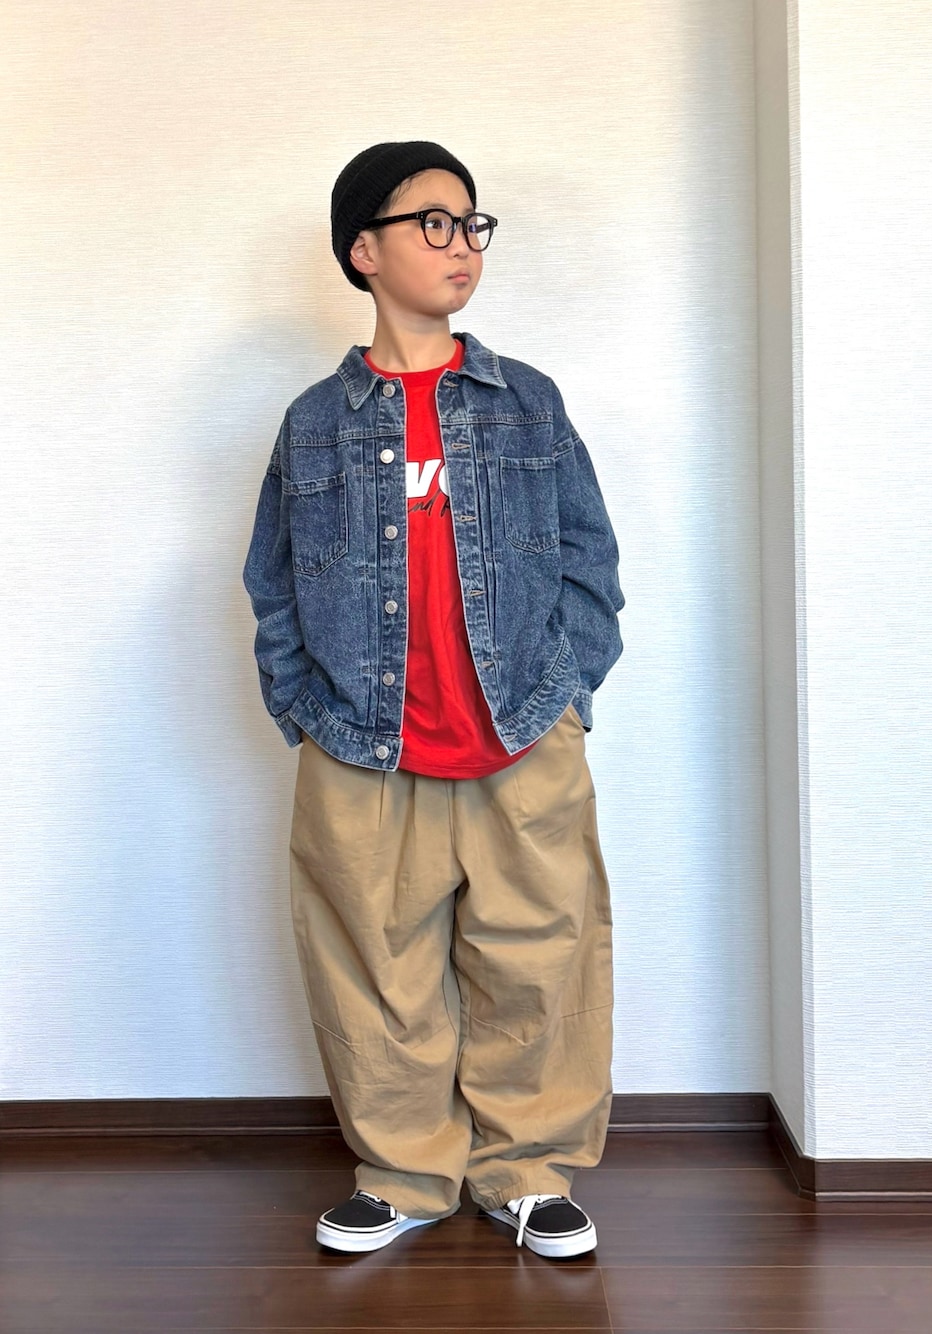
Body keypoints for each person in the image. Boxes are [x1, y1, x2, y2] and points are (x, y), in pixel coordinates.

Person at [242, 141, 625, 1260]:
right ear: (363, 251)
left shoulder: (526, 403)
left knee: (538, 953)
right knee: (373, 964)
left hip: (519, 729)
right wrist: (302, 707)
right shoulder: (315, 421)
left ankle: (529, 1171)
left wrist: (565, 693)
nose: (462, 246)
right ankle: (405, 1172)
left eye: (472, 224)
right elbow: (273, 579)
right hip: (361, 743)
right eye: (433, 224)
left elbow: (589, 558)